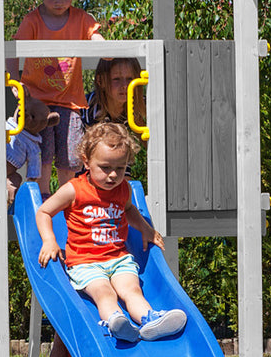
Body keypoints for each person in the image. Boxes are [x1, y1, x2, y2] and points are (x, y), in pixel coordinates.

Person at [36, 122, 185, 343]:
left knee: (132, 289)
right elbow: (44, 211)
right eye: (105, 168)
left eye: (120, 168)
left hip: (118, 258)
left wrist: (145, 228)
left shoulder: (123, 188)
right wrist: (49, 240)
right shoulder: (74, 190)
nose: (113, 175)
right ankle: (116, 321)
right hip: (85, 262)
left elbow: (128, 209)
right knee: (105, 293)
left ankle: (149, 319)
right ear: (86, 161)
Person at [10, 0, 105, 191]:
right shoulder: (32, 21)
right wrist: (13, 83)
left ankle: (68, 196)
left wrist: (101, 43)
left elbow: (94, 35)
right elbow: (12, 51)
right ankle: (42, 194)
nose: (59, 2)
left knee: (69, 155)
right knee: (41, 152)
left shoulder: (81, 19)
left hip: (69, 101)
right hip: (36, 102)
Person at [83, 56, 146, 128]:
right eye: (117, 79)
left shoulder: (141, 104)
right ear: (100, 81)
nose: (125, 85)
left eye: (130, 79)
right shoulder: (90, 109)